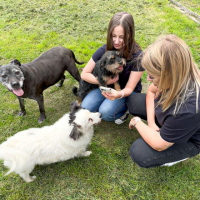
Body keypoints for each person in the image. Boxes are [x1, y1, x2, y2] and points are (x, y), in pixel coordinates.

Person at [127, 34, 200, 168]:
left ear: (169, 75)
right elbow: (150, 91)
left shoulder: (188, 109)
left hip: (190, 138)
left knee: (140, 153)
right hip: (173, 117)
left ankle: (179, 153)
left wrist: (137, 122)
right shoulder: (178, 76)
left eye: (152, 76)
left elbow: (158, 145)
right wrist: (150, 123)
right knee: (133, 101)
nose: (148, 79)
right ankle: (165, 129)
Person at [80, 12, 145, 124]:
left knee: (106, 112)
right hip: (107, 87)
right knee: (86, 107)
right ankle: (108, 103)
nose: (116, 41)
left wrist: (118, 94)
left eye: (122, 37)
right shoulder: (104, 50)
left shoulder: (138, 56)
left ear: (130, 34)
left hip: (126, 91)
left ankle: (126, 110)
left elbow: (129, 88)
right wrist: (103, 81)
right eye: (113, 36)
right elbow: (84, 74)